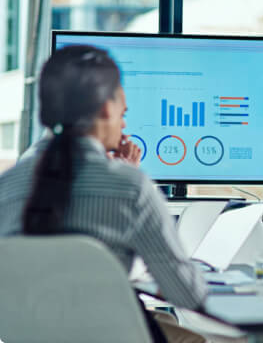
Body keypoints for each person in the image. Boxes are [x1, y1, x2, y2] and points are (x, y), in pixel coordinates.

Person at [0, 45, 206, 343]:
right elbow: (186, 294)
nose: (124, 118)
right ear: (107, 108)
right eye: (123, 107)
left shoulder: (7, 186)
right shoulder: (131, 188)